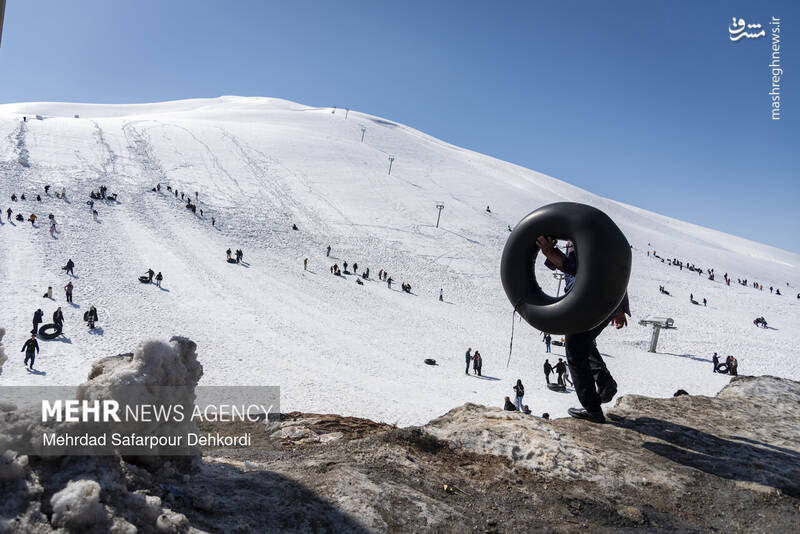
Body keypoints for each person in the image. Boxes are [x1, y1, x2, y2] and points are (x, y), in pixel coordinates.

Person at [536, 235, 627, 423]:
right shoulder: (593, 239)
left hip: (585, 303)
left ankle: (592, 409)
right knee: (583, 344)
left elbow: (578, 268)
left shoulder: (584, 240)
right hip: (605, 304)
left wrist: (549, 252)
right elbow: (612, 273)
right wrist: (619, 308)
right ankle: (605, 383)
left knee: (575, 350)